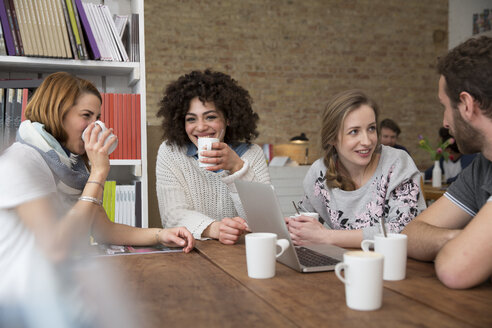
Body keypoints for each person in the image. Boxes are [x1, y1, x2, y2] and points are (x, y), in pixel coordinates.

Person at [0, 72, 195, 307]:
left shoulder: (69, 165)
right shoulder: (25, 160)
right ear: (57, 112)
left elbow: (103, 229)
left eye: (97, 117)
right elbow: (57, 247)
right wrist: (99, 173)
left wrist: (160, 235)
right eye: (86, 116)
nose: (96, 126)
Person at [402, 36, 492, 289]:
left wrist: (468, 246)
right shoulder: (483, 165)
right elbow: (411, 234)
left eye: (445, 106)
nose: (444, 122)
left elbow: (456, 269)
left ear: (466, 105)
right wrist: (463, 238)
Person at [287, 90, 426, 248]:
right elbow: (302, 222)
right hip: (342, 267)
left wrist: (326, 236)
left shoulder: (397, 163)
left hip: (393, 267)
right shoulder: (320, 172)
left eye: (371, 129)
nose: (367, 141)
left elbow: (404, 230)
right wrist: (290, 227)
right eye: (354, 132)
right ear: (332, 138)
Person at [156, 69, 270, 245]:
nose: (200, 127)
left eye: (210, 117)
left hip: (242, 253)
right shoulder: (170, 152)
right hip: (193, 252)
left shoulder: (252, 154)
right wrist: (215, 229)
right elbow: (172, 215)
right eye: (191, 119)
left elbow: (265, 219)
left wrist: (237, 168)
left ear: (228, 119)